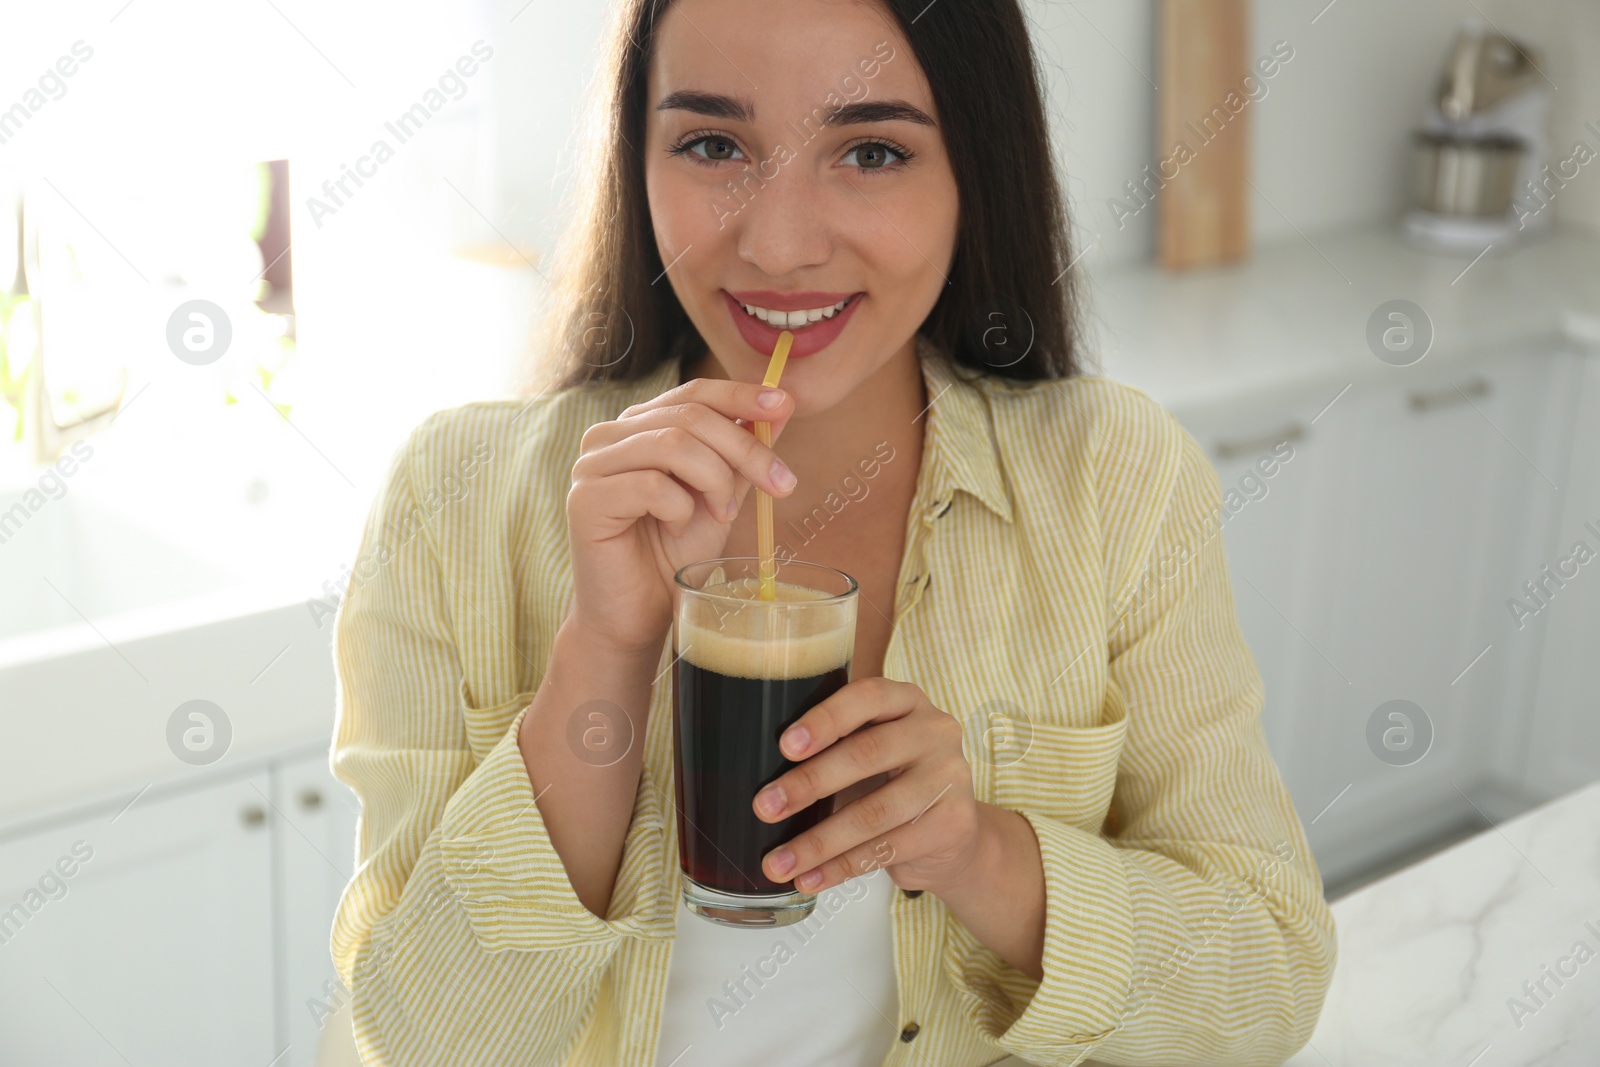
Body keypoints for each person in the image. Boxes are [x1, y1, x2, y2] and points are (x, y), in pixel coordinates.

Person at [328, 0, 1337, 1064]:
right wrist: (605, 655)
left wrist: (983, 854)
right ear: (638, 162)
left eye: (870, 150)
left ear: (975, 171)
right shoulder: (452, 498)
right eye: (713, 144)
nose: (778, 244)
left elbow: (1267, 980)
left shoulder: (1115, 478)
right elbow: (426, 1044)